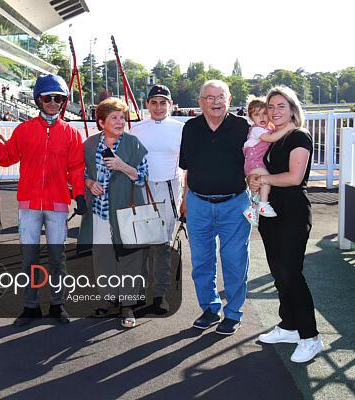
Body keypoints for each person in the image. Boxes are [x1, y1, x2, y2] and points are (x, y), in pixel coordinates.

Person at [0, 74, 86, 327]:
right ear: (38, 100)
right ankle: (30, 307)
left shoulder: (71, 133)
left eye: (58, 99)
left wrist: (79, 194)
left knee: (57, 258)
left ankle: (57, 305)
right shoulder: (24, 130)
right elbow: (7, 157)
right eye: (48, 98)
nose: (53, 103)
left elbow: (77, 168)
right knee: (29, 258)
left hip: (57, 204)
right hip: (29, 204)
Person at [249, 86, 323, 363]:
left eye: (281, 106)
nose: (275, 111)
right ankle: (289, 326)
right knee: (279, 273)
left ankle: (311, 337)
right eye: (271, 107)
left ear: (293, 109)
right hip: (271, 212)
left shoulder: (299, 137)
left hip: (293, 211)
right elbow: (262, 170)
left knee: (292, 273)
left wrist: (264, 179)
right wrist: (253, 180)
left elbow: (294, 177)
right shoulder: (272, 138)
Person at [179, 80, 251, 336]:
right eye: (209, 97)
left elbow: (255, 162)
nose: (215, 102)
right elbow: (188, 168)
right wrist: (185, 198)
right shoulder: (190, 128)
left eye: (220, 97)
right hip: (198, 204)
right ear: (200, 102)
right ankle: (210, 309)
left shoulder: (243, 128)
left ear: (229, 100)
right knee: (201, 262)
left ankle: (233, 313)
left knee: (235, 261)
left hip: (234, 204)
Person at [79, 97, 149, 328]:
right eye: (114, 118)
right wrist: (90, 183)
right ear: (101, 122)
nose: (120, 122)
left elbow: (143, 177)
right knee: (103, 258)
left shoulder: (133, 143)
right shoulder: (90, 145)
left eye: (122, 117)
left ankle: (128, 305)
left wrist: (122, 166)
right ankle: (108, 299)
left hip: (127, 211)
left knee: (130, 258)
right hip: (99, 212)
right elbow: (81, 175)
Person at [130, 85, 183, 314]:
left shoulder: (181, 129)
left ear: (170, 105)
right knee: (142, 243)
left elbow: (187, 166)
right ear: (147, 105)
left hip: (170, 188)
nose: (158, 107)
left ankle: (160, 293)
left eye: (163, 103)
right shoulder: (137, 129)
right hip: (143, 189)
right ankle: (138, 291)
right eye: (154, 103)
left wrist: (185, 199)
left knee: (163, 244)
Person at [242, 96, 295, 227]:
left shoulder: (267, 127)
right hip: (254, 162)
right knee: (265, 179)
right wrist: (288, 127)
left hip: (257, 162)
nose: (262, 117)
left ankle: (253, 208)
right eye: (257, 115)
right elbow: (271, 138)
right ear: (251, 118)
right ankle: (263, 204)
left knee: (259, 187)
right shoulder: (257, 130)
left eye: (265, 113)